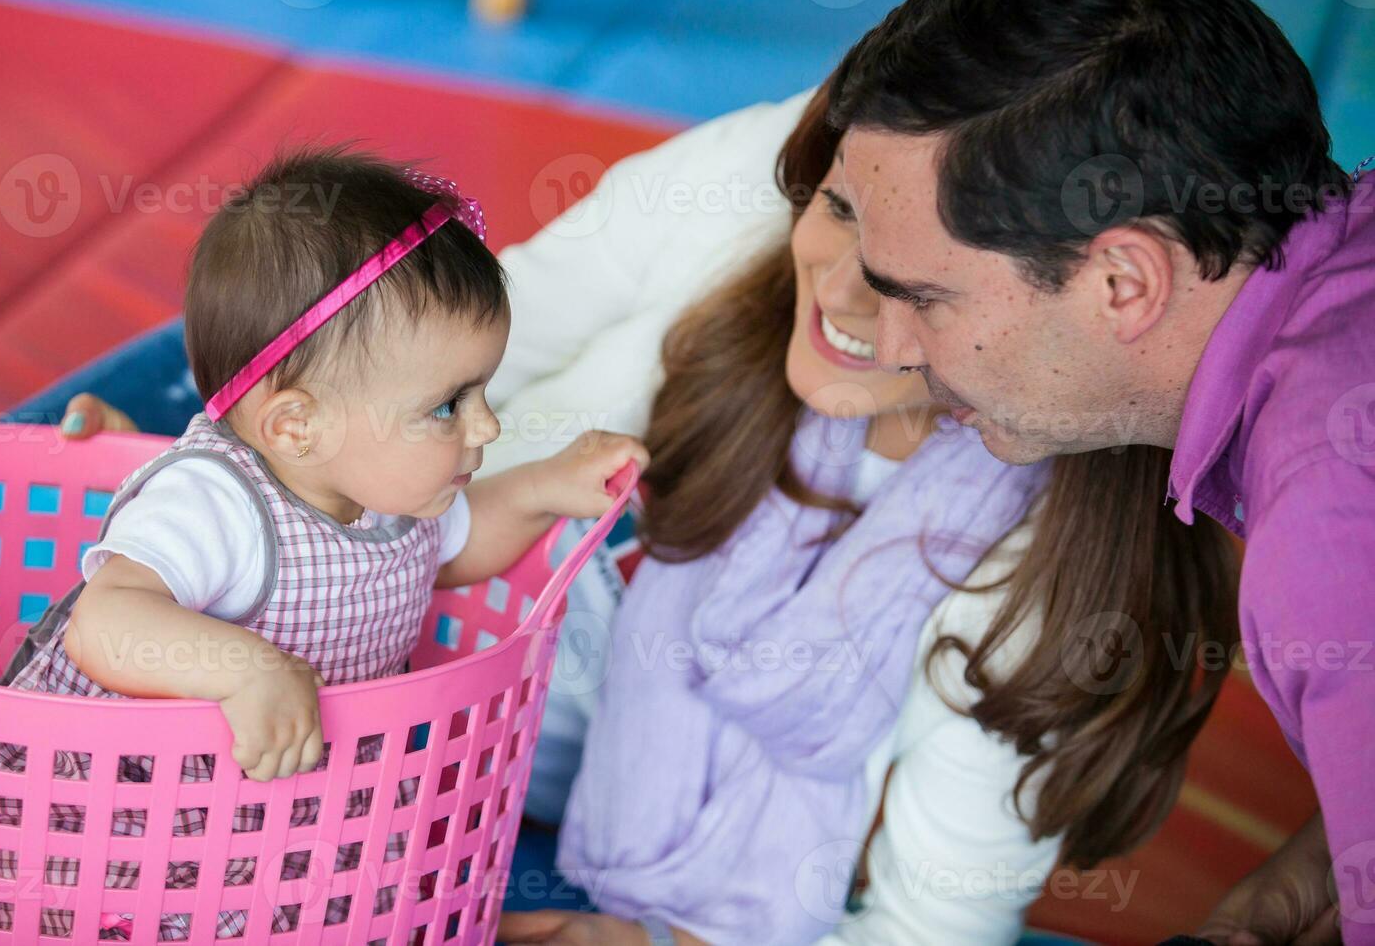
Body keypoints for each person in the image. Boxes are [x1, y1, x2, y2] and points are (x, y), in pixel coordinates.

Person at [496, 78, 1236, 945]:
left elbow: (929, 927)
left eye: (919, 276)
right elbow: (426, 370)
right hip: (460, 770)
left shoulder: (1032, 588)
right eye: (840, 209)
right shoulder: (733, 268)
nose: (847, 291)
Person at [0, 147, 646, 941]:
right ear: (296, 425)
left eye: (483, 391)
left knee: (359, 882)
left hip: (260, 822)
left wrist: (546, 486)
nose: (487, 426)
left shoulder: (391, 497)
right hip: (103, 821)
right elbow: (106, 622)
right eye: (449, 405)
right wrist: (247, 668)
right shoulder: (219, 501)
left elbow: (466, 543)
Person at [828, 0, 1375, 942]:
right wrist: (1327, 865)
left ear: (1124, 281)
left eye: (928, 296)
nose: (898, 346)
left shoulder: (1330, 536)